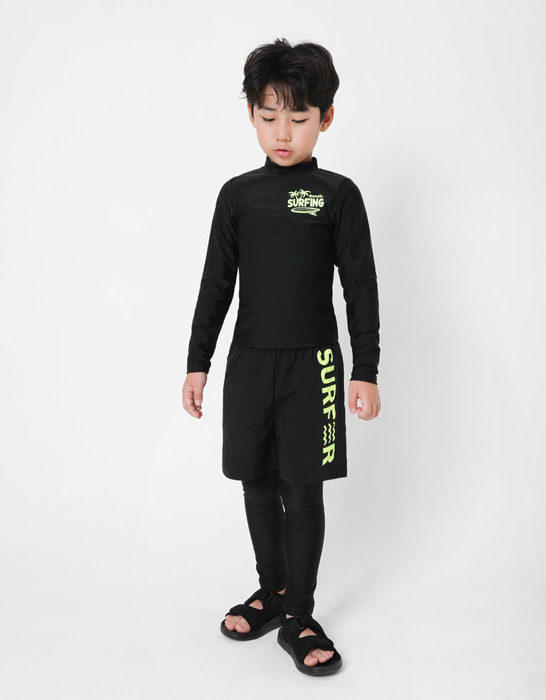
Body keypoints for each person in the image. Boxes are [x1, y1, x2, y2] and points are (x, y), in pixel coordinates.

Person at [181, 37, 381, 676]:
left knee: (302, 489)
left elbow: (360, 285)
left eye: (298, 118)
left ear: (326, 117)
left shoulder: (337, 194)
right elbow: (216, 283)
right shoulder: (237, 195)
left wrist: (365, 370)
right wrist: (198, 361)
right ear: (251, 115)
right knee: (256, 482)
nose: (283, 133)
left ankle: (300, 614)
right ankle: (271, 591)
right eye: (269, 117)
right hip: (250, 362)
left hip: (313, 368)